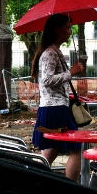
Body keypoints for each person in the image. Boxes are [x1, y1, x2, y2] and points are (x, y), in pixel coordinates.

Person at [30, 13, 84, 182]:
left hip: (51, 108)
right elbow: (46, 81)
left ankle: (31, 182)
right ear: (56, 29)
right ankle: (70, 191)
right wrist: (71, 72)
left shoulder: (53, 51)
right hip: (56, 110)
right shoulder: (51, 53)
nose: (70, 32)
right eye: (67, 28)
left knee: (52, 148)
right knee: (77, 149)